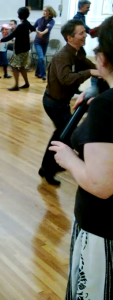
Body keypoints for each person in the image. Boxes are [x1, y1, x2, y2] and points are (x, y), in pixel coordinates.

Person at [49, 16, 113, 299]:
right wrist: (94, 88)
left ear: (102, 58)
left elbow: (102, 186)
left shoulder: (105, 109)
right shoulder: (102, 100)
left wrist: (69, 159)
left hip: (104, 225)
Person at [38, 19, 99, 185]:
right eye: (81, 33)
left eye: (84, 32)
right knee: (66, 136)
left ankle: (47, 168)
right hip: (53, 103)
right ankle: (49, 169)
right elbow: (65, 79)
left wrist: (102, 71)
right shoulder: (62, 56)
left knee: (61, 135)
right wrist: (90, 72)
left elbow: (89, 65)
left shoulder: (78, 52)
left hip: (62, 103)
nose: (85, 35)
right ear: (69, 37)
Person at [0, 7, 36, 91]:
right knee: (22, 66)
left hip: (20, 50)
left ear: (20, 15)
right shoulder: (26, 23)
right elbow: (33, 28)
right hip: (26, 49)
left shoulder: (21, 25)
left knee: (14, 66)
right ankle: (26, 83)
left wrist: (0, 40)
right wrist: (37, 32)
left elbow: (11, 36)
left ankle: (16, 85)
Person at [34, 6, 57, 81]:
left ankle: (37, 72)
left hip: (45, 43)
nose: (44, 12)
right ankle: (43, 75)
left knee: (41, 58)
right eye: (43, 11)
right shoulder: (39, 20)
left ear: (49, 12)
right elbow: (32, 28)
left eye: (45, 11)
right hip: (37, 42)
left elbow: (48, 29)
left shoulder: (51, 21)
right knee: (41, 58)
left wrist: (41, 33)